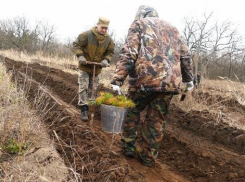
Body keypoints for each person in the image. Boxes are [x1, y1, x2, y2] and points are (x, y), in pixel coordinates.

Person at [111, 5, 193, 166]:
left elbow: (129, 52)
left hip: (144, 80)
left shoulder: (139, 24)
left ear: (140, 15)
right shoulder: (173, 28)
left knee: (132, 110)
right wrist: (189, 79)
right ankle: (148, 157)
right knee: (156, 119)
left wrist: (117, 79)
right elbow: (186, 55)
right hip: (169, 83)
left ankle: (128, 148)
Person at [73, 17, 114, 121]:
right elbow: (76, 45)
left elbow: (110, 52)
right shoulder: (86, 35)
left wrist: (106, 60)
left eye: (106, 28)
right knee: (83, 87)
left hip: (97, 68)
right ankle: (84, 109)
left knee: (93, 89)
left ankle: (91, 108)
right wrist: (80, 56)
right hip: (85, 66)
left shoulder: (109, 40)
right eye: (102, 27)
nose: (104, 30)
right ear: (97, 25)